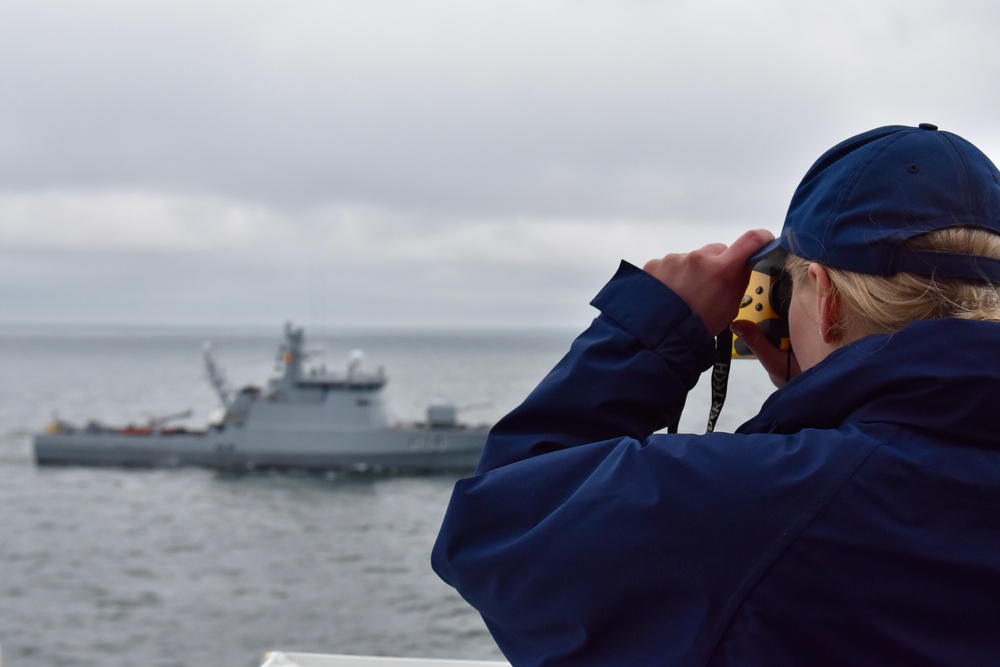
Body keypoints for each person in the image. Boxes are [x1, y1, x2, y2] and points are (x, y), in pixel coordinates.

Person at [431, 124, 1000, 666]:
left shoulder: (758, 507)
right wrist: (836, 397)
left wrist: (651, 332)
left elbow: (496, 529)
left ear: (824, 298)